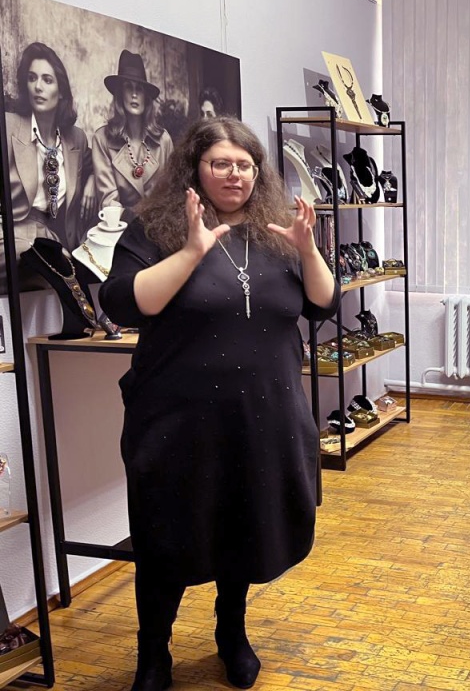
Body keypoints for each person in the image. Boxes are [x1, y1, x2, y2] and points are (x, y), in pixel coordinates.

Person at [98, 117, 339, 691]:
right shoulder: (156, 230)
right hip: (178, 424)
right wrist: (191, 251)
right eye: (220, 163)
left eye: (245, 165)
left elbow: (322, 304)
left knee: (243, 529)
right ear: (195, 168)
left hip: (261, 419)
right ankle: (153, 653)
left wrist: (308, 250)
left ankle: (231, 633)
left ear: (258, 173)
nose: (235, 175)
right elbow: (123, 303)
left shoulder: (276, 232)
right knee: (165, 538)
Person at [2, 42, 96, 284]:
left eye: (47, 80)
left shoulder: (76, 138)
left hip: (56, 241)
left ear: (61, 91)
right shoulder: (8, 125)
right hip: (11, 236)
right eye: (32, 78)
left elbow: (98, 162)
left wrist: (91, 182)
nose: (38, 87)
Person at [92, 49, 174, 219]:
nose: (134, 94)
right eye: (128, 87)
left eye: (139, 89)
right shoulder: (102, 139)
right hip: (121, 225)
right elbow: (109, 202)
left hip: (157, 223)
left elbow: (171, 192)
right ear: (120, 95)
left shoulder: (163, 140)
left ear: (146, 97)